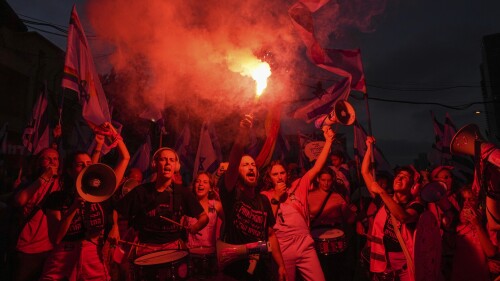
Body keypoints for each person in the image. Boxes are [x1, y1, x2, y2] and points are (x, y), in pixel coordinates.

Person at [40, 122, 129, 281]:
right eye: (80, 165)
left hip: (93, 257)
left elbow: (125, 158)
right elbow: (56, 239)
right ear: (69, 170)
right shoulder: (57, 199)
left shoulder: (101, 192)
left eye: (88, 164)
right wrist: (73, 208)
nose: (85, 167)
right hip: (63, 259)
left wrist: (113, 134)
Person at [260, 127, 334, 281]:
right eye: (275, 174)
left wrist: (328, 142)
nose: (279, 176)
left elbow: (317, 168)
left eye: (282, 173)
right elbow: (266, 225)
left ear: (287, 175)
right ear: (270, 177)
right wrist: (277, 196)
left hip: (305, 244)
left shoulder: (298, 186)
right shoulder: (264, 196)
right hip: (282, 247)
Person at [219, 114, 286, 281]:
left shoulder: (263, 201)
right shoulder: (231, 194)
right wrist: (243, 132)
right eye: (245, 165)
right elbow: (233, 163)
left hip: (261, 270)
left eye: (253, 165)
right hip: (236, 269)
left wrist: (281, 265)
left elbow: (270, 235)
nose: (250, 167)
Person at [114, 147, 208, 257]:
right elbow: (116, 209)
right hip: (145, 249)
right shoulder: (141, 191)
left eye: (172, 160)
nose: (168, 163)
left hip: (173, 249)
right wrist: (114, 228)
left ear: (176, 167)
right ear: (155, 164)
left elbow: (203, 217)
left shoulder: (183, 193)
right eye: (163, 159)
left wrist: (196, 227)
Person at [361, 136, 425, 281]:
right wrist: (369, 148)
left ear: (413, 187)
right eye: (398, 175)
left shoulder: (416, 206)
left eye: (405, 177)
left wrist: (382, 192)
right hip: (383, 266)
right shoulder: (383, 199)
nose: (399, 178)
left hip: (406, 268)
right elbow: (365, 172)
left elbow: (403, 217)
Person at [10, 148, 61, 281]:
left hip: (51, 248)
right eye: (47, 158)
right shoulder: (30, 183)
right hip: (28, 249)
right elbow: (20, 200)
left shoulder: (62, 184)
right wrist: (45, 176)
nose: (52, 162)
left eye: (55, 159)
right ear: (39, 162)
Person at [308, 166, 357, 280]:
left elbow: (349, 219)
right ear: (318, 179)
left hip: (336, 241)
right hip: (315, 240)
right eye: (323, 180)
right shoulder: (308, 196)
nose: (326, 183)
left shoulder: (337, 197)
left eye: (329, 180)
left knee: (335, 273)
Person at [451, 187, 489, 281]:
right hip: (459, 274)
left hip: (480, 273)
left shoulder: (485, 220)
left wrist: (477, 224)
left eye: (471, 199)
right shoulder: (453, 221)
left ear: (477, 201)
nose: (466, 203)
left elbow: (491, 251)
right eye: (463, 199)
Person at [185, 171, 224, 249]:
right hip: (190, 252)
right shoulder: (187, 204)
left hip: (210, 253)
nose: (201, 184)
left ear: (210, 188)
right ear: (193, 186)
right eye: (198, 181)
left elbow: (229, 223)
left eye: (205, 182)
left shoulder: (216, 205)